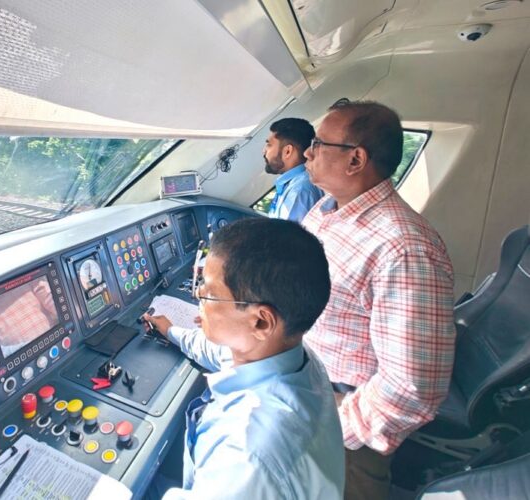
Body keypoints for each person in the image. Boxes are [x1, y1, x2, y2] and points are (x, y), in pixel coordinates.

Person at [301, 100, 455, 500]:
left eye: (318, 143)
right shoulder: (327, 211)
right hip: (312, 389)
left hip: (348, 429)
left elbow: (413, 385)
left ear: (355, 160)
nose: (307, 151)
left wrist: (339, 423)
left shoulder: (403, 248)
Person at [143, 218, 344, 499]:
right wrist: (172, 332)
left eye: (210, 294)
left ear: (261, 322)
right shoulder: (296, 356)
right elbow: (218, 351)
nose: (198, 294)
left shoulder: (247, 455)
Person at [263, 118, 323, 222]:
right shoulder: (292, 185)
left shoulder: (300, 190)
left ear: (287, 151)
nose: (264, 151)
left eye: (269, 145)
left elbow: (284, 237)